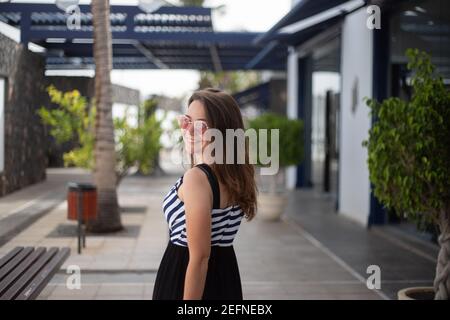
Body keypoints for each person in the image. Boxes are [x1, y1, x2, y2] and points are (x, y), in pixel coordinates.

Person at [152, 88, 257, 300]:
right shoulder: (235, 175)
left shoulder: (197, 179)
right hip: (226, 276)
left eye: (200, 126)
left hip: (187, 280)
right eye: (186, 121)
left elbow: (200, 257)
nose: (189, 131)